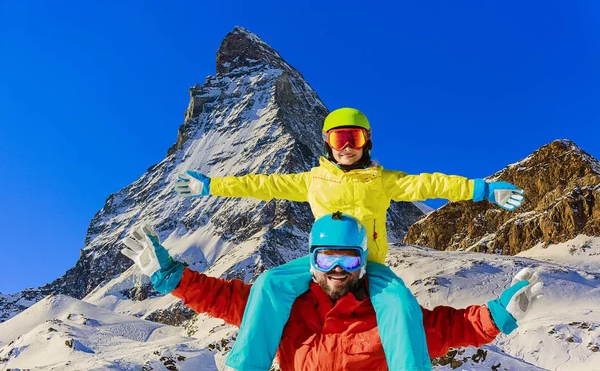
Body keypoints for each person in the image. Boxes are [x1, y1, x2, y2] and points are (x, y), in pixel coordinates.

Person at [174, 108, 526, 370]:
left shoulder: (382, 180)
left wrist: (481, 189)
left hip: (368, 266)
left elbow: (429, 184)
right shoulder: (312, 181)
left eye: (353, 139)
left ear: (366, 141)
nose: (346, 147)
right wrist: (211, 185)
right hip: (320, 262)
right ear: (327, 143)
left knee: (400, 304)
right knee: (267, 284)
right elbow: (262, 184)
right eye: (338, 139)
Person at [121, 213, 543, 371]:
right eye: (327, 260)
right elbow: (222, 298)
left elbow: (449, 327)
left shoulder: (387, 316)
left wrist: (499, 313)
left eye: (348, 260)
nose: (338, 271)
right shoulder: (284, 307)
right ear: (311, 261)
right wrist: (172, 276)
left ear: (363, 261)